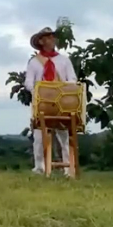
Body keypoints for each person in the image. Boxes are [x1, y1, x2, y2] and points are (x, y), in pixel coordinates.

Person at [24, 26, 78, 176]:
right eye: (47, 37)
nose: (51, 40)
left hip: (61, 101)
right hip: (42, 102)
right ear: (41, 41)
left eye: (52, 37)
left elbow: (72, 79)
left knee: (64, 136)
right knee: (39, 137)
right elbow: (28, 82)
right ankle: (39, 167)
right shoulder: (34, 62)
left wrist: (62, 88)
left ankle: (68, 168)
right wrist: (39, 90)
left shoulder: (64, 60)